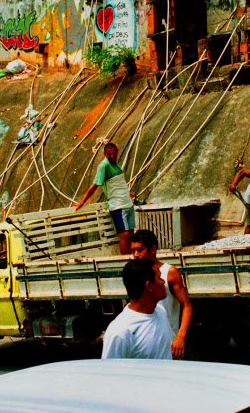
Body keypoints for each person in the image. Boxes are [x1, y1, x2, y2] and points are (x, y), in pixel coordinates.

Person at [131, 230, 193, 359]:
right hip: (145, 345)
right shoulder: (134, 274)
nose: (135, 255)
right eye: (133, 251)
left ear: (153, 249)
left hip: (169, 344)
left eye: (140, 250)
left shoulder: (169, 272)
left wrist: (180, 337)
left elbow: (186, 306)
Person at [101, 258, 174, 360]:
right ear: (149, 286)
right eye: (160, 277)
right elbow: (111, 373)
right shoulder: (119, 332)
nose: (163, 282)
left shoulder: (160, 311)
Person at [74, 142, 135, 254]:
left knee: (131, 234)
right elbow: (95, 185)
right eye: (109, 154)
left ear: (117, 152)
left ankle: (134, 260)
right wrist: (82, 201)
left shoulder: (116, 164)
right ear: (104, 154)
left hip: (128, 203)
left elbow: (118, 183)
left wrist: (128, 193)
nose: (112, 156)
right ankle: (126, 262)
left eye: (114, 154)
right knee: (125, 235)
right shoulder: (103, 166)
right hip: (118, 205)